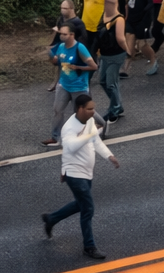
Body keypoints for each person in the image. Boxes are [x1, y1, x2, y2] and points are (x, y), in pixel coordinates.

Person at [41, 94, 119, 261]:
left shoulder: (89, 120)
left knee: (80, 204)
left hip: (86, 172)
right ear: (80, 109)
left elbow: (95, 140)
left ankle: (51, 219)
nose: (93, 112)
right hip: (74, 173)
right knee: (88, 208)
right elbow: (71, 146)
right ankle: (89, 247)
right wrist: (89, 136)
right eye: (90, 109)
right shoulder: (69, 127)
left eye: (93, 108)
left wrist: (109, 156)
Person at [47, 21, 97, 144]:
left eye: (64, 34)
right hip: (64, 85)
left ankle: (100, 124)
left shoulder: (80, 48)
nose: (61, 36)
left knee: (81, 113)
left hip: (79, 86)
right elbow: (56, 62)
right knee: (57, 110)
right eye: (60, 34)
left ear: (72, 35)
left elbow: (94, 66)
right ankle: (55, 138)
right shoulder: (60, 46)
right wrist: (52, 58)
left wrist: (79, 67)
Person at [94, 0, 130, 122]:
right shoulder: (103, 15)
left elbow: (120, 38)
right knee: (103, 81)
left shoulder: (119, 19)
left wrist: (127, 50)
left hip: (116, 55)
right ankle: (117, 104)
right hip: (104, 54)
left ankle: (115, 109)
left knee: (110, 83)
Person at [120, 0, 154, 74]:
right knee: (129, 41)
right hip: (130, 18)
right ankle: (125, 69)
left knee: (141, 44)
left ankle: (153, 60)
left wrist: (143, 14)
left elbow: (150, 3)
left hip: (142, 19)